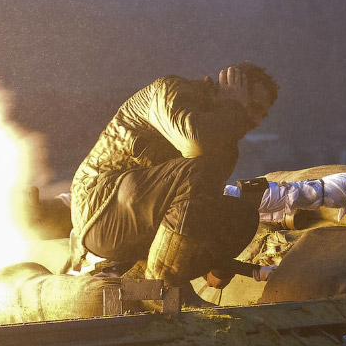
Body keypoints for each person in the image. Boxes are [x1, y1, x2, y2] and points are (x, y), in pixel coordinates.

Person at [67, 63, 278, 289]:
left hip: (145, 231)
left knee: (242, 215)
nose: (256, 121)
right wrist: (232, 105)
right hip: (101, 214)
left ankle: (169, 278)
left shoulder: (225, 142)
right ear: (228, 89)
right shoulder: (170, 91)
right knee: (200, 168)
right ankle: (161, 287)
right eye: (253, 107)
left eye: (262, 116)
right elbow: (195, 144)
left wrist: (218, 258)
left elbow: (198, 207)